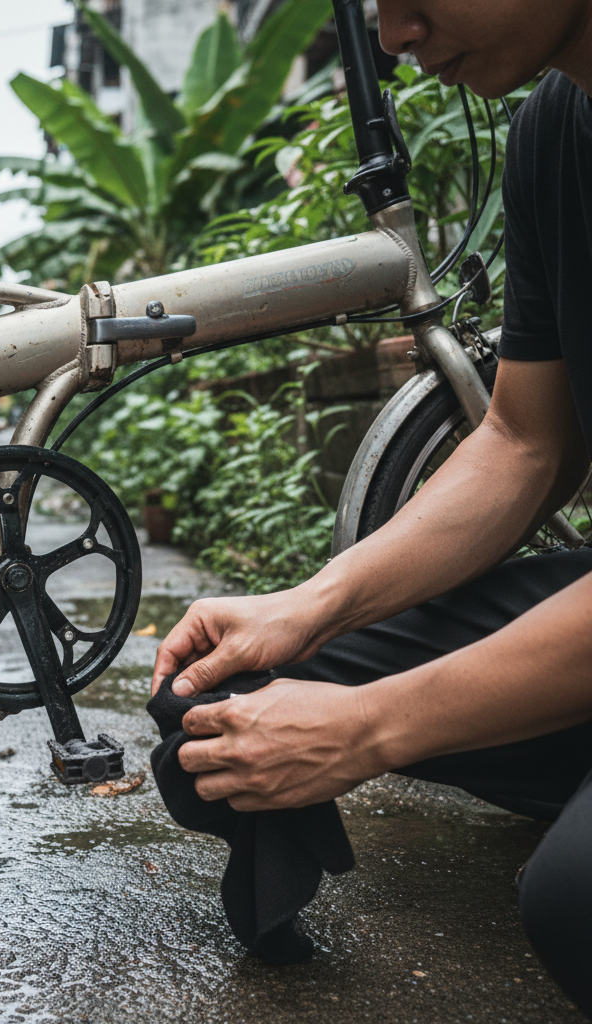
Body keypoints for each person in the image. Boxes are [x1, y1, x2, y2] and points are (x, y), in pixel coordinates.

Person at [149, 0, 592, 1016]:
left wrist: (371, 726)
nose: (393, 34)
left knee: (574, 904)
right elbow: (525, 441)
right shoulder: (551, 131)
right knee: (222, 703)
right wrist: (311, 604)